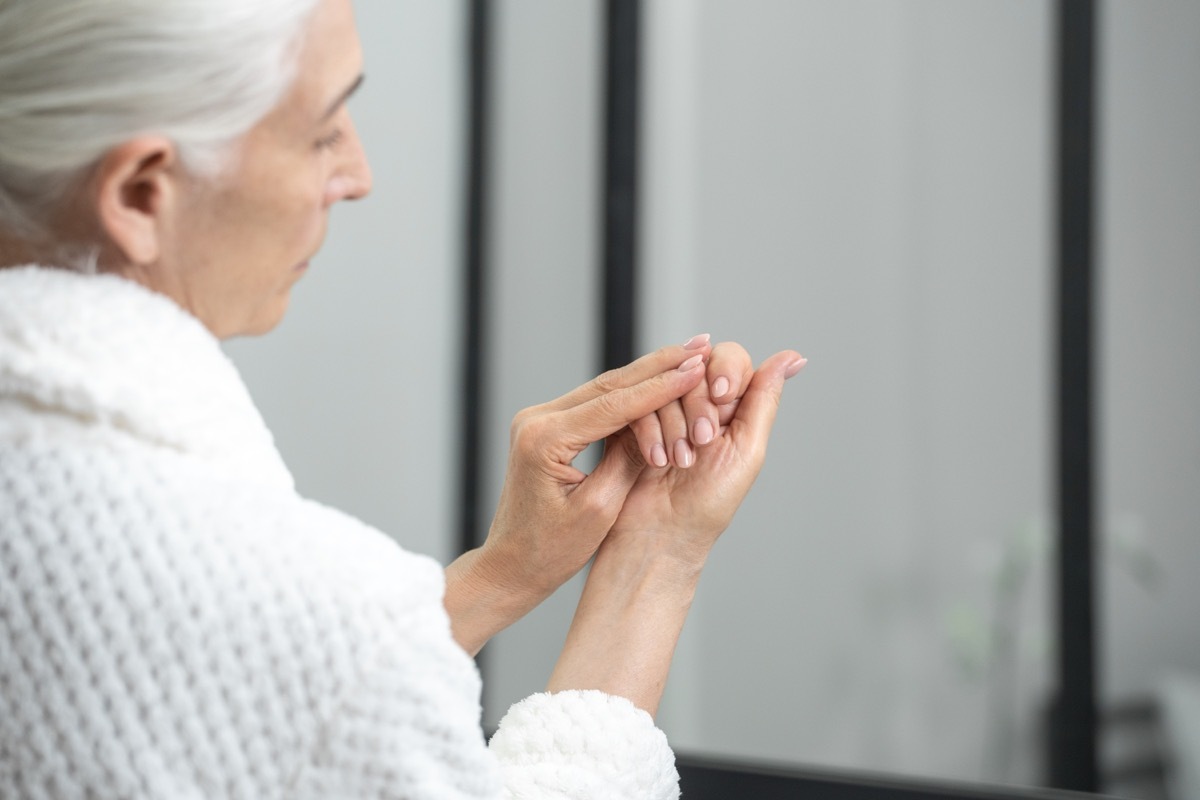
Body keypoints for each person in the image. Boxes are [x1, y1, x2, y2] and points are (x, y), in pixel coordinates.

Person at [0, 0, 806, 797]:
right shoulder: (299, 606)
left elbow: (244, 702)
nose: (357, 175)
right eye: (322, 133)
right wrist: (658, 555)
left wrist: (501, 575)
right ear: (142, 194)